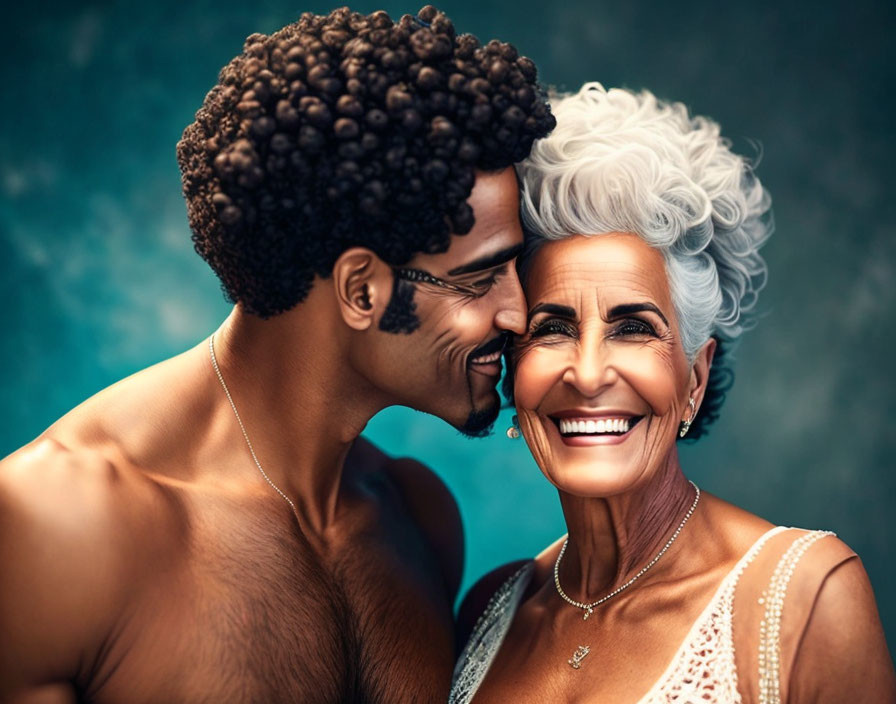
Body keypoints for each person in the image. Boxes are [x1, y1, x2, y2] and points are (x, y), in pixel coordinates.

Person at [0, 7, 554, 703]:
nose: (519, 311)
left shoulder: (418, 516)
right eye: (481, 278)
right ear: (361, 289)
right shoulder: (63, 527)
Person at [450, 83, 896, 703]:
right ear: (513, 369)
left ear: (695, 378)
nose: (587, 373)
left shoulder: (806, 595)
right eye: (552, 329)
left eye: (633, 329)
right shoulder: (486, 612)